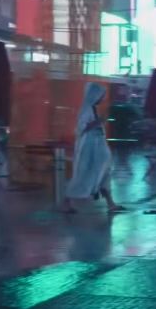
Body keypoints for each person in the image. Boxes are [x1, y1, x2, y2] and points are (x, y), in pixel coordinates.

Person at [62, 81, 122, 214]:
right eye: (101, 95)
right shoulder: (86, 110)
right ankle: (66, 202)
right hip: (90, 149)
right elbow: (82, 128)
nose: (102, 98)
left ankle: (110, 203)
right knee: (83, 175)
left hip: (98, 147)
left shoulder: (93, 109)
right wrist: (99, 122)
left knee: (104, 173)